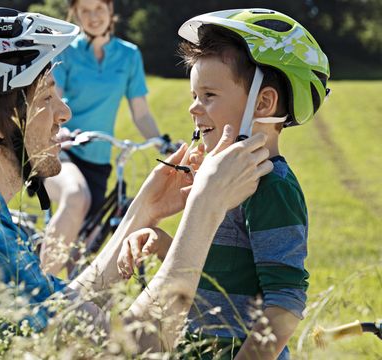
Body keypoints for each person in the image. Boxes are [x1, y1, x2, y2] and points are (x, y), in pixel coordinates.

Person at [0, 8, 273, 359]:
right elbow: (134, 349)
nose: (64, 113)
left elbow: (49, 315)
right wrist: (205, 209)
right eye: (45, 97)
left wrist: (143, 213)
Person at [117, 8, 330, 359]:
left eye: (209, 96)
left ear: (263, 103)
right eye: (193, 96)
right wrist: (160, 242)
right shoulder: (218, 181)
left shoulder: (272, 188)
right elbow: (218, 266)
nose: (194, 109)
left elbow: (284, 304)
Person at [41, 0, 169, 275]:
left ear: (111, 11)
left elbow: (141, 112)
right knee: (76, 196)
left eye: (99, 8)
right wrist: (59, 130)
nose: (93, 16)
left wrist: (163, 142)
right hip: (62, 150)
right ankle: (39, 294)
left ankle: (72, 312)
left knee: (82, 254)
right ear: (74, 14)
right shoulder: (66, 51)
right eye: (84, 10)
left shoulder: (129, 55)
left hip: (98, 160)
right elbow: (53, 98)